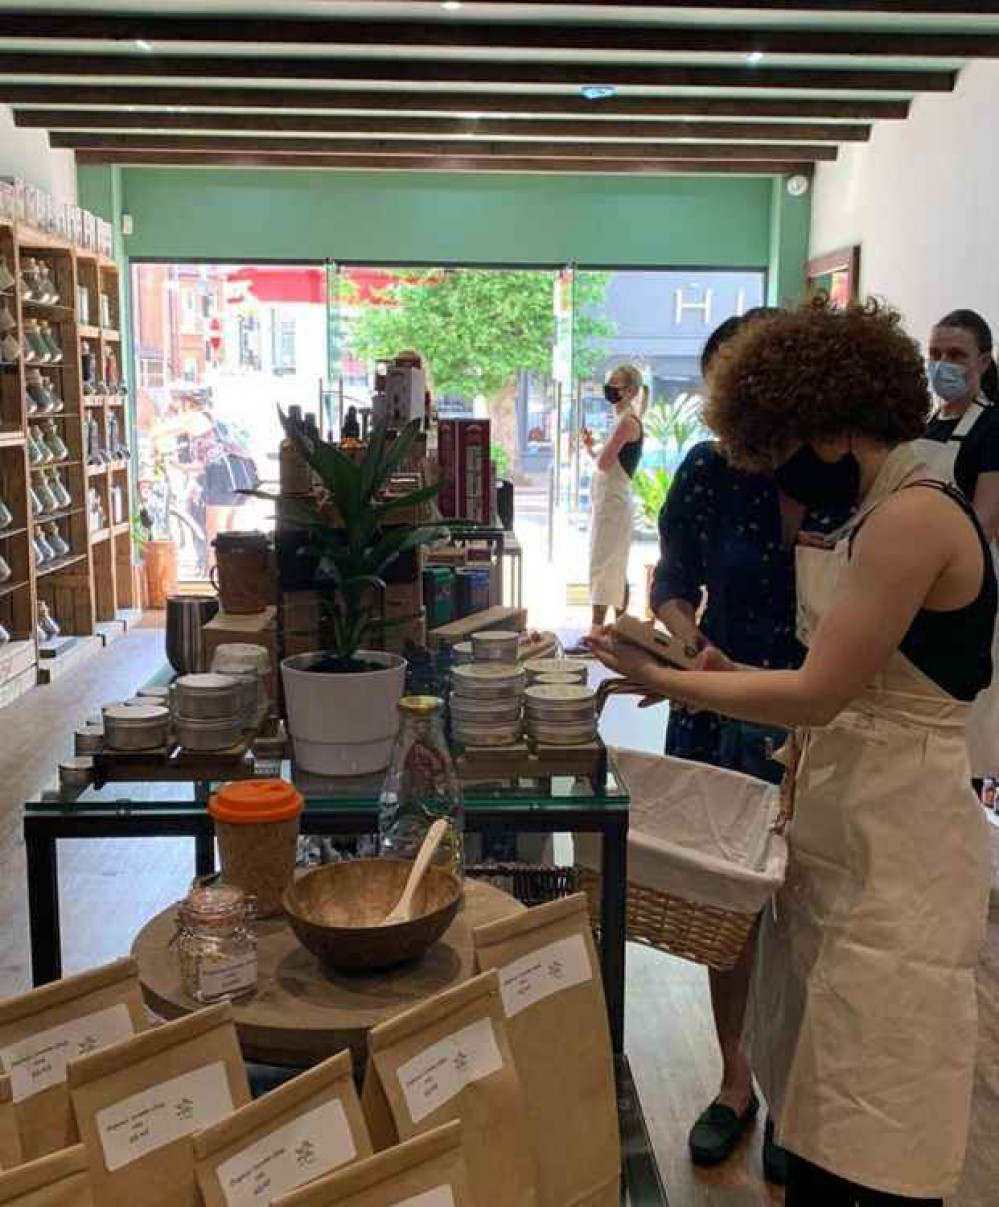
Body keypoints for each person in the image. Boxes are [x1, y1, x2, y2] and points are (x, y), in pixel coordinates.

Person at [589, 297, 995, 1205]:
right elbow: (858, 675)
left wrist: (673, 684)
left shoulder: (911, 518)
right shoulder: (892, 506)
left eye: (786, 448)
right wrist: (716, 664)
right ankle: (754, 1102)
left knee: (875, 1124)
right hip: (857, 830)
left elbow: (817, 690)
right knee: (827, 1103)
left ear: (825, 428)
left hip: (900, 849)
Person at [650, 310, 846, 1182]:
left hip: (825, 725)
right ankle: (736, 1080)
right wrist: (680, 633)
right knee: (724, 911)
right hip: (717, 706)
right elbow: (671, 582)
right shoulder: (706, 472)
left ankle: (792, 1085)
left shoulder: (852, 479)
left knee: (809, 911)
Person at [917, 309, 999, 782]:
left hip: (966, 581)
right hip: (917, 579)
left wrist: (929, 569)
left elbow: (984, 522)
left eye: (955, 356)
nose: (941, 365)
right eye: (934, 354)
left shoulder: (992, 430)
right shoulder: (924, 426)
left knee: (965, 724)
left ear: (983, 363)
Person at [582, 364, 646, 640]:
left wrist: (594, 452)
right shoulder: (621, 420)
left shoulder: (628, 423)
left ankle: (598, 631)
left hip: (614, 502)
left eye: (616, 384)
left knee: (606, 564)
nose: (609, 388)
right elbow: (603, 459)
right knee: (612, 565)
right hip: (610, 501)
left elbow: (604, 462)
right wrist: (590, 447)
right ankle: (620, 632)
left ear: (630, 391)